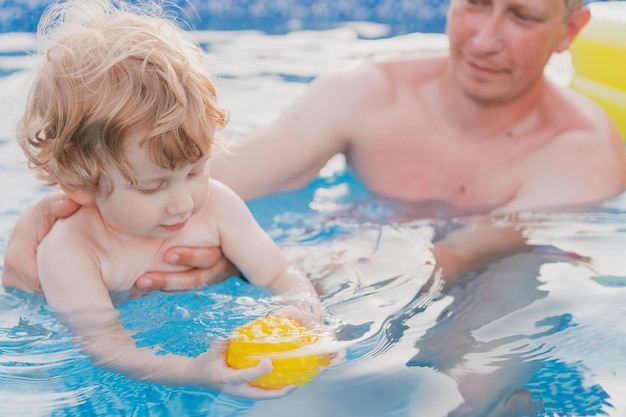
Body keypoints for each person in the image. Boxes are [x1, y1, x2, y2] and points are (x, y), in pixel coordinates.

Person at [4, 0, 626, 291]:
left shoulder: (580, 154)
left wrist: (254, 267)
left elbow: (464, 258)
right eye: (477, 4)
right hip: (322, 252)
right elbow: (209, 176)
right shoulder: (365, 93)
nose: (487, 38)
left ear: (570, 30)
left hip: (450, 284)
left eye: (521, 16)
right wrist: (83, 205)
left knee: (499, 309)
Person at [9, 0, 322, 400]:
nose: (183, 204)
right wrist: (193, 372)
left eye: (195, 171)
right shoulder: (70, 252)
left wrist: (303, 316)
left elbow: (281, 275)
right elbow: (106, 348)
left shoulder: (218, 207)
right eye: (151, 187)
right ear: (79, 182)